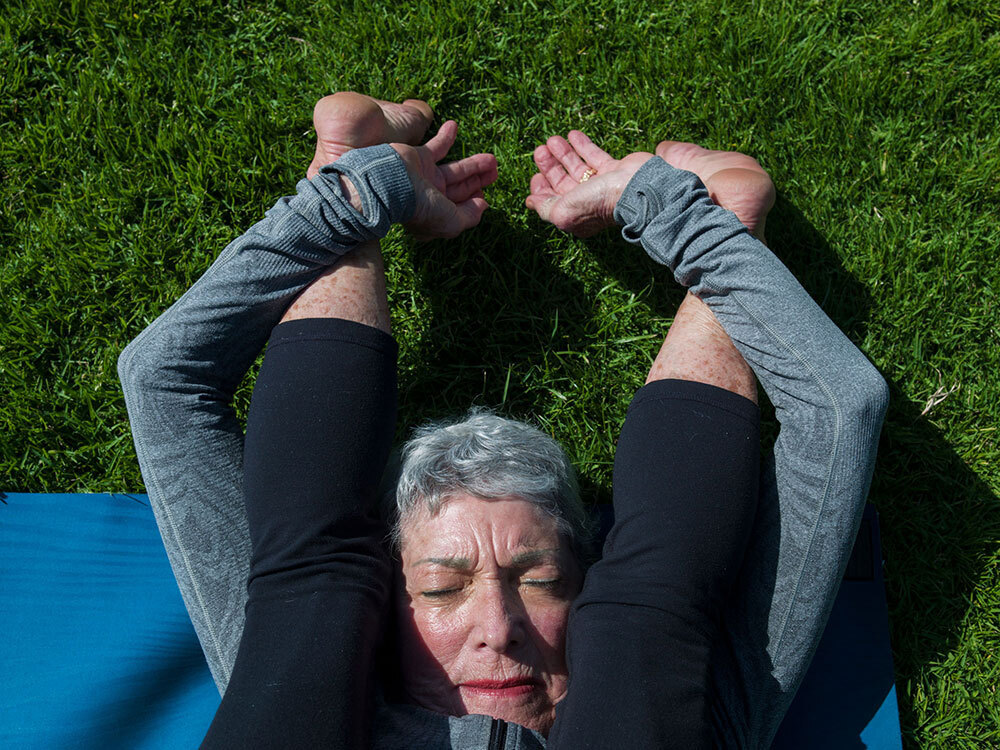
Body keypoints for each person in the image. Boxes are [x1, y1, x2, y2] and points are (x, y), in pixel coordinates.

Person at [118, 92, 888, 749]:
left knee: (311, 585)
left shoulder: (288, 669)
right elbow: (837, 411)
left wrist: (353, 195)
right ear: (393, 608)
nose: (497, 628)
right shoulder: (697, 712)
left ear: (589, 586)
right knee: (656, 613)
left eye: (544, 579)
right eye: (441, 587)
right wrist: (703, 221)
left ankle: (348, 157)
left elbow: (162, 382)